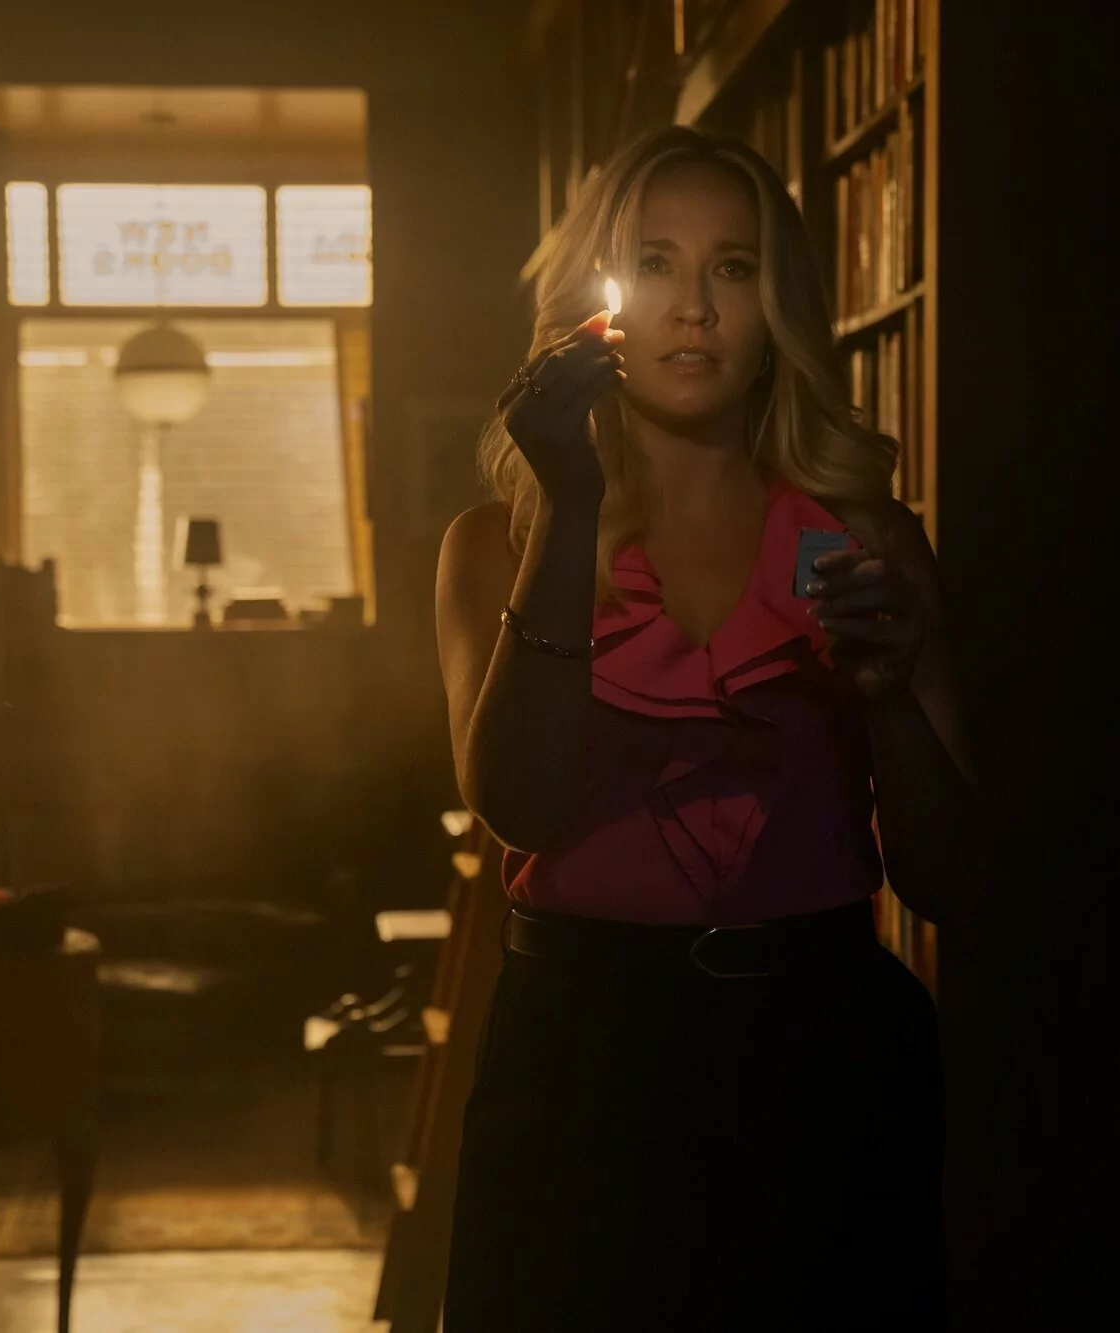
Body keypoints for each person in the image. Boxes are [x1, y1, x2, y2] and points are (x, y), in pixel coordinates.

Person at [433, 125, 986, 1330]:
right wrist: (569, 506)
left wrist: (884, 693)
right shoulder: (496, 545)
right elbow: (520, 806)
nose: (693, 307)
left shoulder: (861, 539)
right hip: (578, 1062)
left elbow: (952, 879)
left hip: (818, 1055)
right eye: (655, 264)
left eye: (731, 268)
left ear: (775, 302)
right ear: (593, 304)